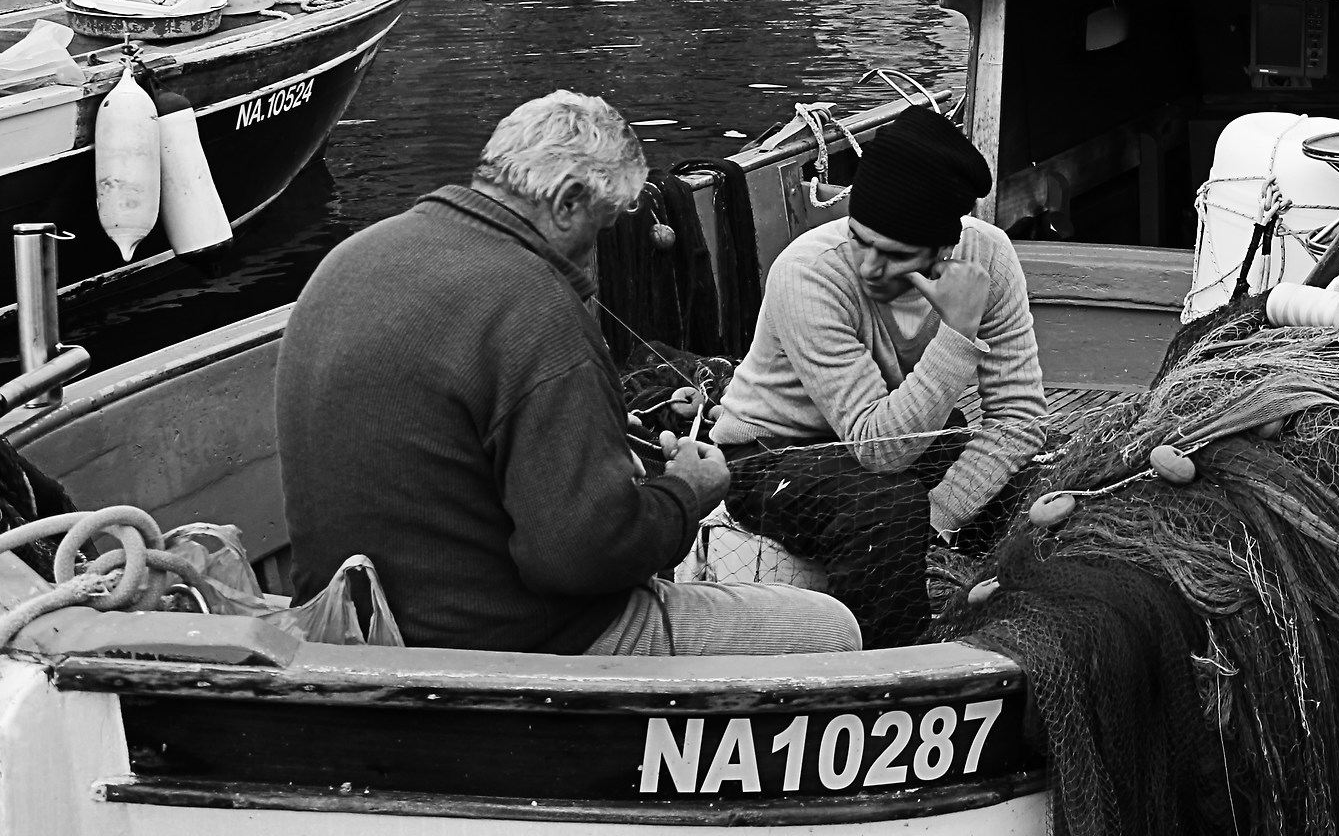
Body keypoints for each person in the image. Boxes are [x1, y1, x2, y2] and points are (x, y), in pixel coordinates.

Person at [277, 91, 858, 657]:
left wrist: (598, 442)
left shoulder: (349, 259)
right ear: (567, 201)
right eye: (603, 227)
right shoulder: (534, 304)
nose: (592, 258)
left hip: (345, 632)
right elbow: (582, 559)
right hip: (499, 647)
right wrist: (685, 494)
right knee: (830, 628)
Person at [713, 106, 1047, 648]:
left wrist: (940, 516)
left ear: (945, 248)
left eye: (894, 254)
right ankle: (887, 677)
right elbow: (880, 451)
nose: (869, 266)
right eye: (859, 238)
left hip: (902, 439)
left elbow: (1019, 417)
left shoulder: (991, 259)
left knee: (1037, 494)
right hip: (771, 455)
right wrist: (958, 332)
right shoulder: (808, 273)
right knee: (884, 506)